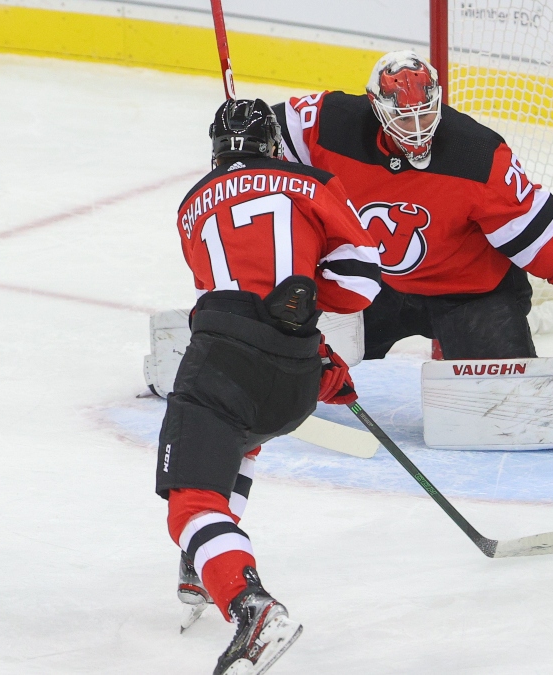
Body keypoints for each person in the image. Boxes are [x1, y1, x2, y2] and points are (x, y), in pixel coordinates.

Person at [157, 98, 381, 674]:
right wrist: (308, 328)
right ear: (275, 146)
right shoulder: (312, 181)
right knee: (242, 437)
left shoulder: (189, 209)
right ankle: (201, 563)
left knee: (190, 503)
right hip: (294, 380)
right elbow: (360, 283)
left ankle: (249, 605)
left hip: (224, 363)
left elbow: (225, 291)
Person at [270, 51, 553, 360]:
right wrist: (241, 149)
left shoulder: (477, 155)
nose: (419, 129)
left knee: (503, 407)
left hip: (471, 295)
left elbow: (532, 228)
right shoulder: (334, 124)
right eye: (406, 119)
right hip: (374, 284)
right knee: (295, 358)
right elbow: (274, 130)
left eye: (426, 113)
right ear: (376, 108)